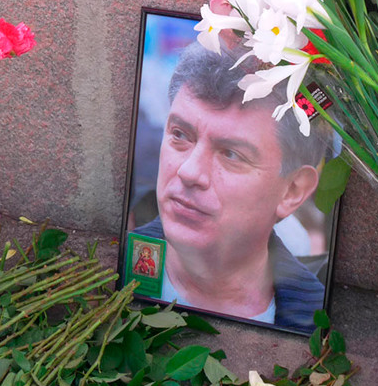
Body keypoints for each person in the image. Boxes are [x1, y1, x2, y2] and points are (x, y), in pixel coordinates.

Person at [132, 42, 331, 333]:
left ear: (292, 191)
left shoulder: (319, 326)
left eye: (231, 154)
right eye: (180, 135)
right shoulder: (105, 268)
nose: (189, 172)